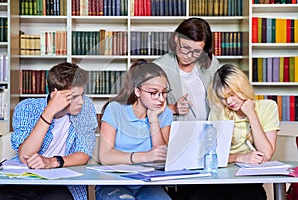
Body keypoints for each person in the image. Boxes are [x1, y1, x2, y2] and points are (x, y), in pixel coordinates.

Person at [0, 62, 98, 200]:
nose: (81, 101)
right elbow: (25, 155)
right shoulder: (27, 107)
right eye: (74, 96)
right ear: (54, 95)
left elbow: (84, 154)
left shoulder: (85, 109)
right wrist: (49, 111)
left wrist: (51, 162)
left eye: (82, 94)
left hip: (60, 182)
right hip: (23, 179)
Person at [188, 64, 280, 200]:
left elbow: (266, 154)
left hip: (247, 181)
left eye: (232, 94)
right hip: (218, 178)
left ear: (242, 88)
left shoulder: (268, 107)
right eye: (223, 98)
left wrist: (251, 114)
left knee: (250, 196)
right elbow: (210, 155)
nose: (229, 101)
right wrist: (240, 157)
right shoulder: (218, 111)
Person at [95, 61, 173, 200]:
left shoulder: (165, 113)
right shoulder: (115, 109)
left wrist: (153, 118)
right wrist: (145, 156)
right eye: (153, 93)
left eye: (164, 92)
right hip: (114, 182)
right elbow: (105, 156)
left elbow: (162, 158)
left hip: (148, 184)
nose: (161, 99)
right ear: (137, 91)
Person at [153, 17, 220, 121]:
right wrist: (173, 109)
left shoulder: (212, 63)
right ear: (176, 39)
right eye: (185, 48)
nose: (189, 55)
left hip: (209, 132)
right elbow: (145, 109)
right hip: (177, 134)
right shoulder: (158, 68)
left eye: (197, 51)